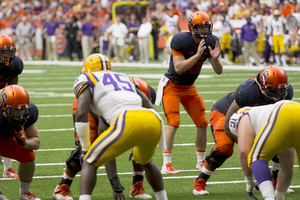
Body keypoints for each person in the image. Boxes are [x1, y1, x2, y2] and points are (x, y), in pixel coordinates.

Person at [53, 54, 154, 200]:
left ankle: (137, 186)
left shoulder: (128, 87)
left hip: (115, 108)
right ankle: (63, 186)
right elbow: (105, 147)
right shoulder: (86, 90)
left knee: (140, 145)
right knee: (86, 150)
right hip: (89, 110)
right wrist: (116, 184)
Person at [193, 66, 294, 196]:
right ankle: (200, 181)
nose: (278, 95)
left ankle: (276, 182)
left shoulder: (287, 93)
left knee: (278, 143)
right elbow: (227, 127)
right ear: (262, 86)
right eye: (273, 90)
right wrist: (248, 142)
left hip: (252, 118)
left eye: (281, 90)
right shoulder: (248, 92)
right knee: (224, 147)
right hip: (224, 114)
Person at [155, 11, 222, 175]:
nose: (205, 30)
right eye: (201, 27)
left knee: (202, 122)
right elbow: (178, 68)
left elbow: (219, 72)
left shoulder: (211, 41)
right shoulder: (180, 40)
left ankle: (200, 162)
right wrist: (198, 55)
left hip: (189, 87)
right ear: (192, 27)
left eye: (207, 27)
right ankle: (167, 163)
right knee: (174, 122)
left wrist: (214, 58)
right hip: (172, 85)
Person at [229, 100, 298, 200]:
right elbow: (287, 170)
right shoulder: (261, 112)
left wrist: (249, 180)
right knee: (287, 166)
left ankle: (269, 197)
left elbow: (244, 152)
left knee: (256, 157)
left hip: (283, 112)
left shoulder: (244, 116)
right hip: (295, 108)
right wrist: (279, 195)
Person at [0, 85, 41, 200]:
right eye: (14, 111)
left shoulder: (29, 112)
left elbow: (36, 141)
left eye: (23, 110)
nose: (20, 114)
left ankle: (24, 194)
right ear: (4, 108)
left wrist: (24, 143)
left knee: (28, 156)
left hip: (4, 138)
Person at [0, 34, 24, 180]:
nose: (7, 56)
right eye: (3, 52)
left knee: (9, 123)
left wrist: (9, 104)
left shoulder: (15, 65)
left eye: (10, 52)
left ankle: (7, 169)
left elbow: (13, 89)